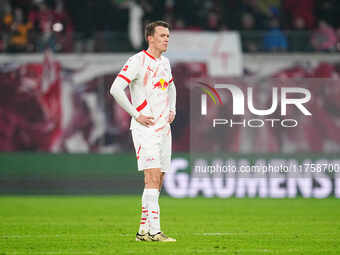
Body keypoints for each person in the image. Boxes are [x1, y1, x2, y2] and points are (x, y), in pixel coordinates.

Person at [109, 20, 176, 242]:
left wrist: (172, 108)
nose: (167, 39)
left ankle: (143, 231)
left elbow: (171, 86)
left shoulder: (165, 63)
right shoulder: (137, 61)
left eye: (168, 35)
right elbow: (115, 88)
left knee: (160, 179)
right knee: (152, 178)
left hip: (163, 129)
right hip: (145, 128)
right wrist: (135, 114)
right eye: (162, 35)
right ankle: (155, 232)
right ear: (150, 38)